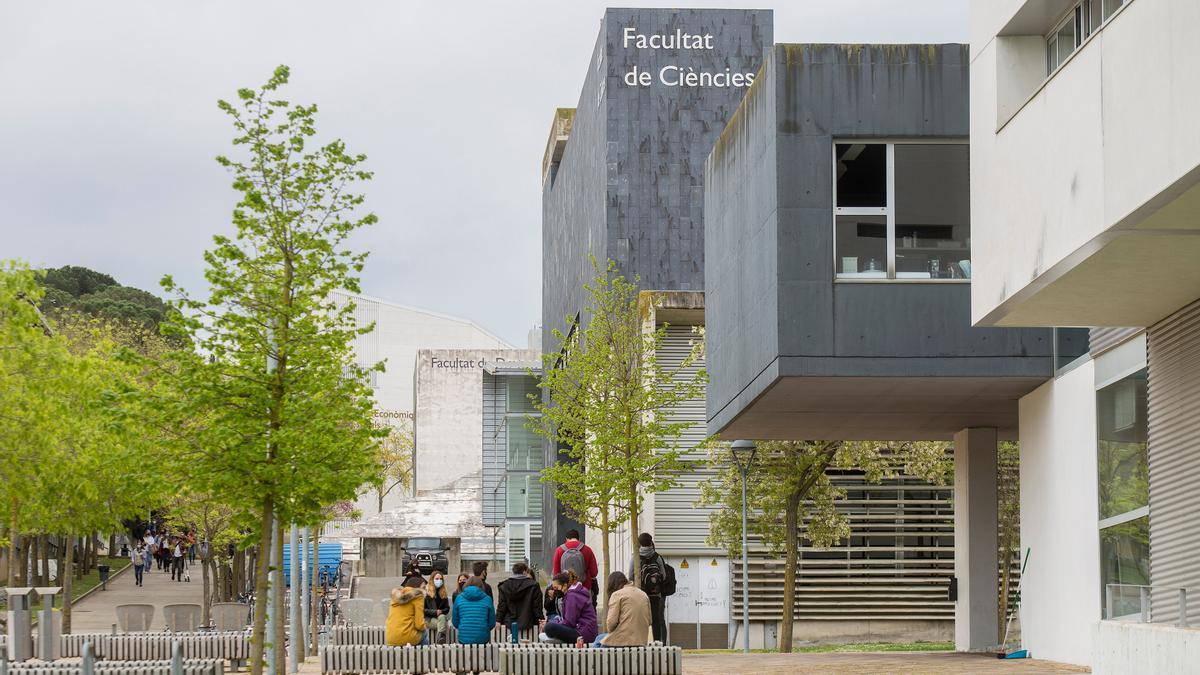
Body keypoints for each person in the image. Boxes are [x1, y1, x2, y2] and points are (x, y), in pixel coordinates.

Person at [628, 532, 669, 642]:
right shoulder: (657, 557)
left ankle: (641, 642)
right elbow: (664, 576)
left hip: (640, 594)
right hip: (655, 594)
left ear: (639, 543)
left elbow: (630, 576)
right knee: (656, 619)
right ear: (651, 542)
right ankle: (657, 643)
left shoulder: (635, 557)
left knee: (640, 619)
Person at [538, 570, 597, 645]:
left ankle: (559, 639)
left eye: (556, 588)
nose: (554, 591)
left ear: (565, 586)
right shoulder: (571, 595)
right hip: (584, 631)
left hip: (582, 634)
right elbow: (566, 620)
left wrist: (549, 624)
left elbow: (569, 622)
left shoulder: (572, 596)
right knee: (550, 625)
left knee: (549, 628)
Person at [593, 571, 651, 647]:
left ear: (613, 585)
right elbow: (649, 621)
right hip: (641, 641)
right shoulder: (643, 594)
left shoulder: (617, 594)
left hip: (623, 641)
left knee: (598, 641)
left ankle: (596, 659)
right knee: (600, 638)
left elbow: (611, 625)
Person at [552, 529, 598, 606]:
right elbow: (594, 573)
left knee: (567, 614)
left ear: (566, 539)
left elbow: (556, 574)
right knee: (585, 613)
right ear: (579, 539)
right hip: (584, 589)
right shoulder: (587, 550)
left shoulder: (559, 550)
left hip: (566, 590)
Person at [496, 562, 543, 637]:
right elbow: (536, 607)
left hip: (509, 624)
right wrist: (540, 620)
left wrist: (498, 620)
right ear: (524, 571)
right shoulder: (534, 585)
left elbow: (502, 605)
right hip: (528, 623)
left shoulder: (504, 586)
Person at [452, 576, 495, 645]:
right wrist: (484, 629)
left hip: (464, 638)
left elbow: (455, 621)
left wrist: (463, 627)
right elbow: (492, 622)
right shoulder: (487, 599)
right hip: (482, 638)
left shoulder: (459, 598)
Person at [385, 577, 428, 646]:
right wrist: (425, 626)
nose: (425, 590)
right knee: (425, 633)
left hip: (390, 638)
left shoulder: (395, 597)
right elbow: (419, 625)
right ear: (416, 587)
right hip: (407, 638)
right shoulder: (418, 596)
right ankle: (424, 655)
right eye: (423, 587)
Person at [423, 571, 451, 644]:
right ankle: (441, 640)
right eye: (437, 578)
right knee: (442, 622)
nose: (439, 580)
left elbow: (447, 608)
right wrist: (435, 612)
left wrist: (441, 611)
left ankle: (440, 639)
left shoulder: (443, 592)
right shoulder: (426, 593)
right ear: (432, 580)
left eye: (441, 579)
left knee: (442, 617)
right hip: (428, 619)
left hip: (440, 618)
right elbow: (422, 610)